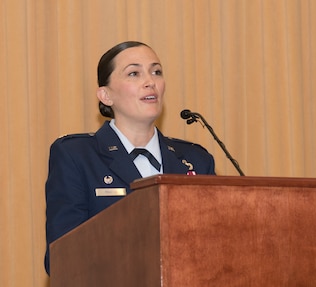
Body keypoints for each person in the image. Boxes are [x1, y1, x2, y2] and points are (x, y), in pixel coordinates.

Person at [44, 41, 216, 274]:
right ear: (106, 95)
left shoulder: (196, 160)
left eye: (156, 72)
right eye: (134, 73)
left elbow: (217, 243)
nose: (150, 82)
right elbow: (60, 257)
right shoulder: (77, 155)